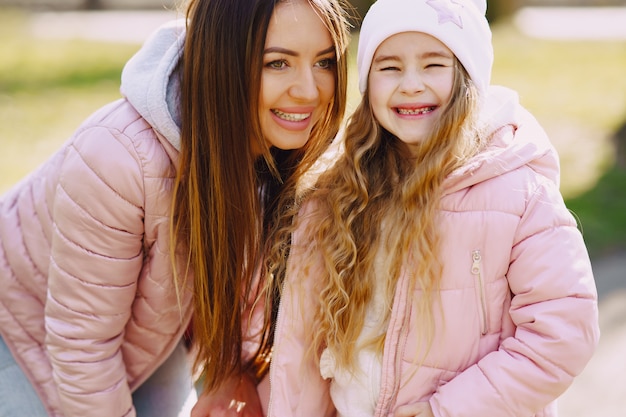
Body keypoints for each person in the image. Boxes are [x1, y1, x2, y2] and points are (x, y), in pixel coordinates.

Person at [0, 0, 350, 415]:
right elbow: (82, 346)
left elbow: (248, 286)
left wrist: (234, 373)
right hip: (20, 322)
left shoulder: (282, 151)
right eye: (277, 63)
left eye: (324, 62)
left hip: (143, 329)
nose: (309, 90)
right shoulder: (118, 159)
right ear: (224, 60)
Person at [261, 0, 601, 416]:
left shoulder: (519, 195)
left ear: (467, 76)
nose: (410, 84)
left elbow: (562, 333)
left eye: (433, 65)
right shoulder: (339, 191)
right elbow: (299, 338)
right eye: (389, 67)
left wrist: (449, 409)